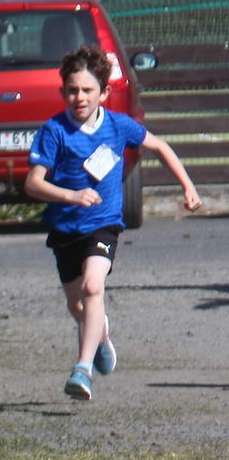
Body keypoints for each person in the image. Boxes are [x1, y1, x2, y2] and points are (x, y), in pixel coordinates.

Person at [23, 45, 202, 402]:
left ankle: (82, 370)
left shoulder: (119, 126)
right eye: (72, 90)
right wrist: (71, 195)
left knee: (93, 288)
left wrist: (188, 186)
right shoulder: (54, 131)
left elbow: (160, 146)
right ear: (62, 91)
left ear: (103, 93)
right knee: (77, 306)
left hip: (103, 224)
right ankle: (101, 335)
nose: (79, 97)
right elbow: (33, 184)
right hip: (65, 228)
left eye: (87, 90)